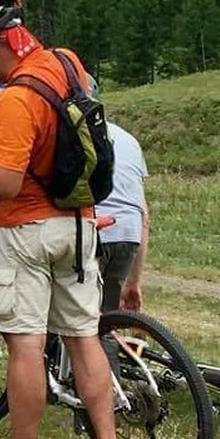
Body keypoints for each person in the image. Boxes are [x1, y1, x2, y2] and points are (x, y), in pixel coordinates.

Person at [0, 0, 148, 439]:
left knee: (26, 346)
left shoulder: (15, 103)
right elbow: (39, 101)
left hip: (24, 230)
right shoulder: (64, 63)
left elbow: (6, 182)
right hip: (79, 223)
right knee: (85, 338)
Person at [95, 120, 150, 312]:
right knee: (108, 319)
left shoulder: (72, 129)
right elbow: (143, 213)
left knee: (78, 323)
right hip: (129, 231)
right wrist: (134, 281)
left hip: (94, 228)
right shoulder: (129, 139)